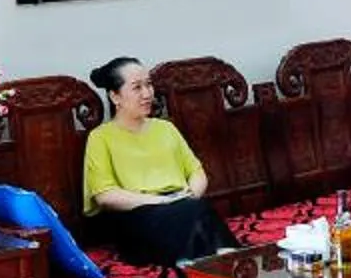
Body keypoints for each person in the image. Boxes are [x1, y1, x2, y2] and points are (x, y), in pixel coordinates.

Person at [81, 58, 236, 266]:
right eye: (137, 88)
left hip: (183, 207)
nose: (147, 94)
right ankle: (227, 261)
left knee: (197, 209)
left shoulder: (165, 128)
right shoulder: (100, 138)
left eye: (149, 85)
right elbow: (105, 195)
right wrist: (161, 201)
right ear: (114, 96)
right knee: (196, 214)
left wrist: (189, 195)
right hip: (139, 216)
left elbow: (196, 171)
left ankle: (206, 267)